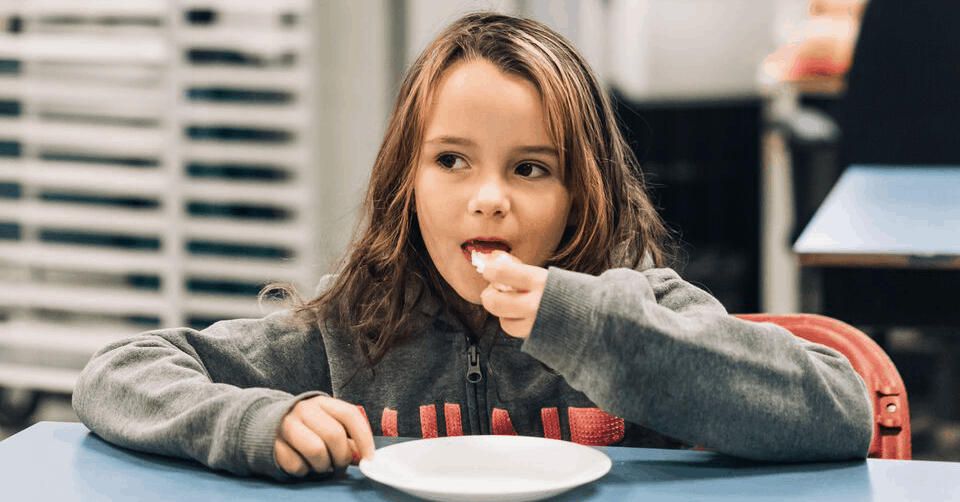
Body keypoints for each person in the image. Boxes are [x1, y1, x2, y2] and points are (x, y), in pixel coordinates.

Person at [72, 12, 873, 480]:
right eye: (451, 160)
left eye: (530, 168)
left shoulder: (636, 304)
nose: (487, 196)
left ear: (578, 195)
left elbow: (840, 410)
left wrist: (596, 326)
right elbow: (119, 374)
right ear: (406, 181)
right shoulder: (356, 328)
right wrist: (259, 422)